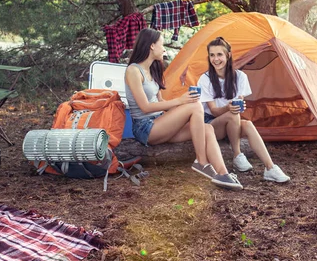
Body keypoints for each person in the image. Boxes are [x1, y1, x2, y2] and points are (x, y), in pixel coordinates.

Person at [124, 28, 242, 190]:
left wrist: (178, 110)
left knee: (206, 128)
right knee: (194, 106)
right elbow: (145, 107)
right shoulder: (133, 71)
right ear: (152, 46)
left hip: (160, 122)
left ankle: (222, 173)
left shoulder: (153, 70)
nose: (164, 48)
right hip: (145, 127)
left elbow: (160, 101)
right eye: (161, 44)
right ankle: (201, 162)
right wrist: (181, 101)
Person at [196, 37, 290, 183]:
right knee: (233, 114)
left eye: (219, 54)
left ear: (228, 55)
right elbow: (213, 111)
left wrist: (238, 106)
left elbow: (239, 102)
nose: (216, 59)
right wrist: (229, 108)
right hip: (212, 125)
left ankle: (270, 168)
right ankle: (237, 154)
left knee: (248, 124)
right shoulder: (205, 79)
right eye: (212, 55)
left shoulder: (240, 77)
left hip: (232, 124)